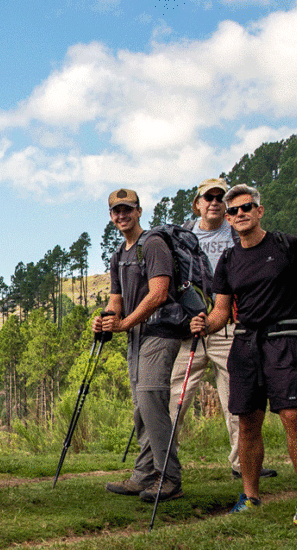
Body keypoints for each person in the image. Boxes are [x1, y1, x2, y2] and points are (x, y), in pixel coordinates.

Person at [190, 184, 297, 527]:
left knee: (292, 415)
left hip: (286, 336)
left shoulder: (287, 245)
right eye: (233, 210)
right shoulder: (229, 260)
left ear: (260, 210)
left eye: (246, 207)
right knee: (247, 420)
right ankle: (250, 497)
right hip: (245, 342)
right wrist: (205, 324)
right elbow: (222, 311)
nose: (240, 214)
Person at [169, 178, 276, 480]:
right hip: (190, 326)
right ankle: (162, 464)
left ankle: (244, 464)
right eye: (208, 197)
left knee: (236, 399)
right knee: (175, 397)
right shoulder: (182, 236)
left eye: (220, 198)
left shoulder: (238, 231)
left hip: (229, 326)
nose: (215, 202)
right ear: (197, 203)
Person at [94, 189, 186, 504]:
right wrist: (106, 320)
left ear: (139, 211)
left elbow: (159, 293)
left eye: (127, 210)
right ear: (110, 216)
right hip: (137, 335)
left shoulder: (154, 245)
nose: (122, 216)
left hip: (161, 331)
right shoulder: (119, 254)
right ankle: (145, 475)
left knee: (150, 398)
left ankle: (170, 478)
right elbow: (115, 300)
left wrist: (126, 323)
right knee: (141, 405)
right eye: (116, 211)